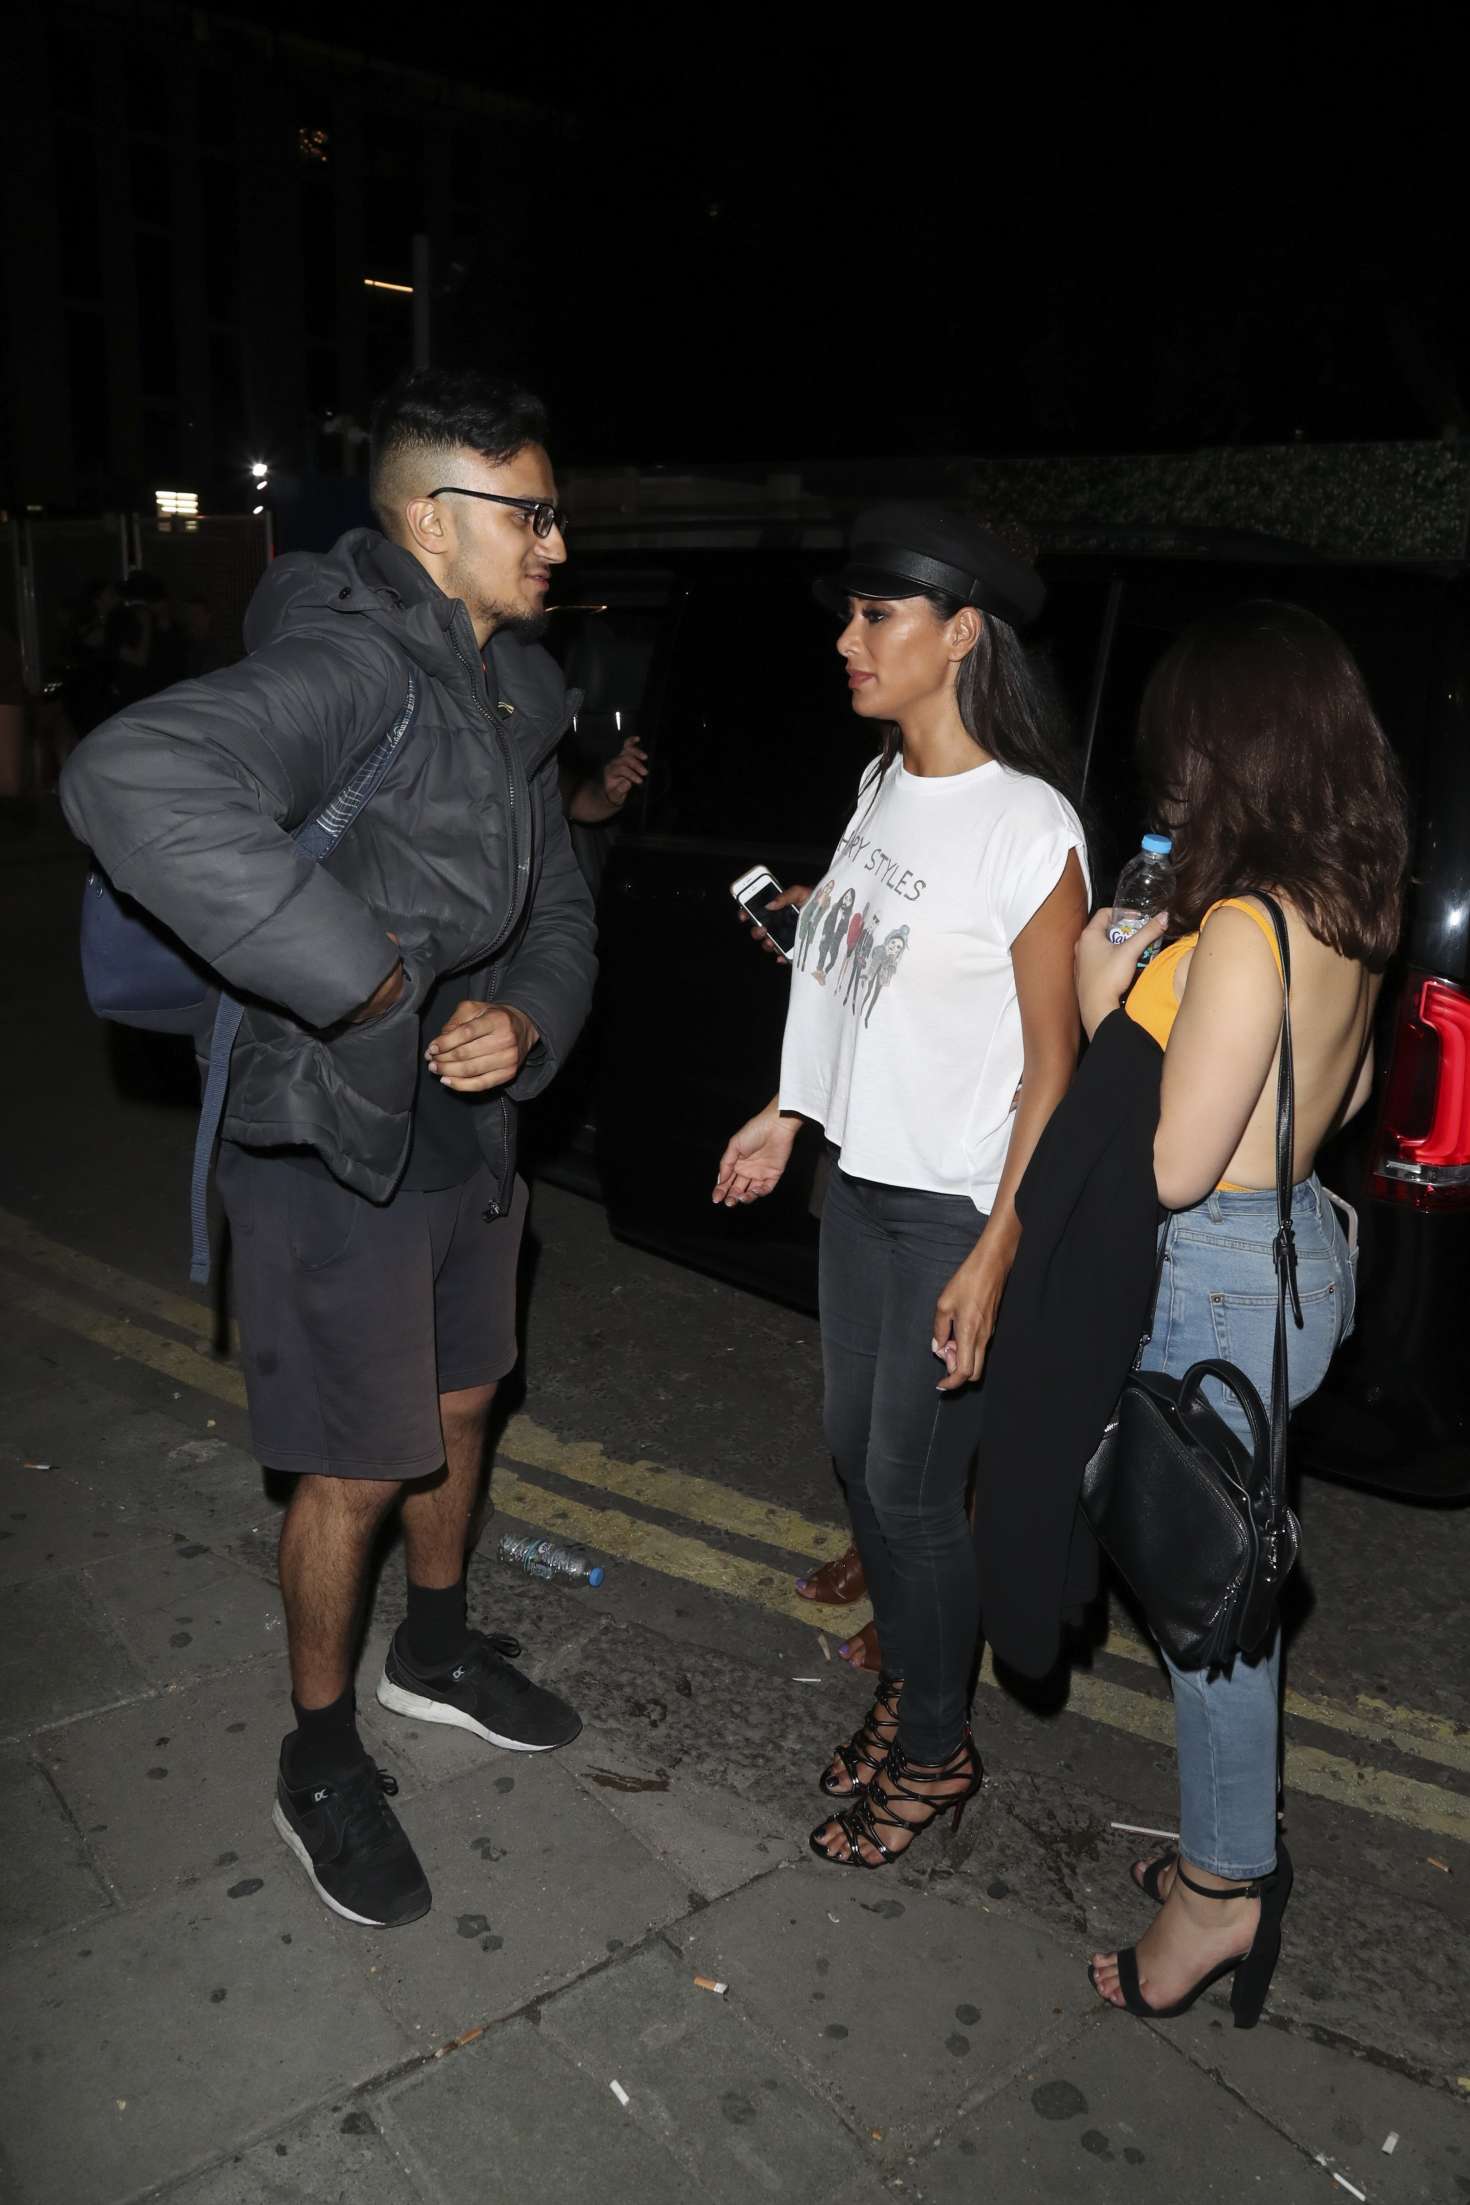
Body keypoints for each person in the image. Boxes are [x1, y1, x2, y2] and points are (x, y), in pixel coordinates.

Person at [61, 367, 598, 1931]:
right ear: (432, 521)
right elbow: (129, 778)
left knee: (462, 1401)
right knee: (356, 1460)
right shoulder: (354, 660)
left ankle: (431, 1649)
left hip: (465, 1128)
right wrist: (363, 978)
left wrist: (526, 1018)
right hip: (323, 1128)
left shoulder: (517, 691)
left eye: (554, 512)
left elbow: (559, 906)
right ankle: (317, 1753)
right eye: (528, 514)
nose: (556, 543)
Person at [714, 504, 1088, 1869]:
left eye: (878, 616)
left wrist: (997, 1249)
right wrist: (789, 1110)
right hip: (860, 1187)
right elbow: (848, 972)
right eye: (851, 615)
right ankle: (914, 1685)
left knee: (914, 1492)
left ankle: (937, 1747)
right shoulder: (882, 785)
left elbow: (1056, 1063)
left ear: (962, 633)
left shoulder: (1027, 825)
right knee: (857, 1457)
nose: (848, 638)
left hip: (951, 1207)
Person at [1073, 602, 1404, 2020]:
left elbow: (1170, 1162)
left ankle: (1221, 1891)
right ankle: (1229, 1846)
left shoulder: (1247, 929)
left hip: (1216, 1274)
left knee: (1207, 1599)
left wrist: (1105, 996)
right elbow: (1346, 1091)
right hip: (1298, 1251)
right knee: (1232, 1567)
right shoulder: (1349, 903)